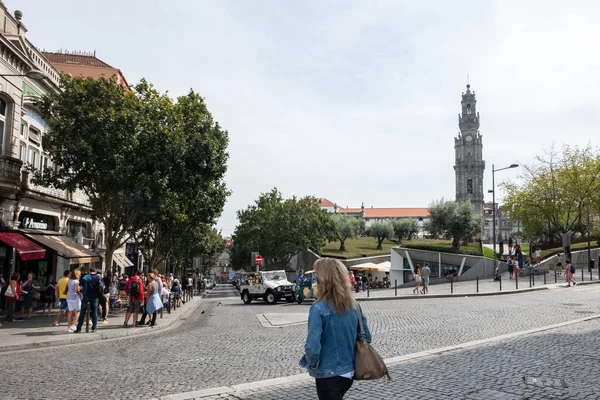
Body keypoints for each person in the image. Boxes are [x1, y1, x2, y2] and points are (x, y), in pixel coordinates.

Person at [299, 258, 371, 400]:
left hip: (327, 374)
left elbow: (312, 348)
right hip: (349, 373)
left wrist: (312, 365)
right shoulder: (354, 306)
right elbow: (366, 338)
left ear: (323, 279)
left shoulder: (318, 309)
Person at [75, 267, 102, 333]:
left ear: (89, 271)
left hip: (86, 295)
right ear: (95, 271)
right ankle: (94, 328)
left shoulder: (85, 277)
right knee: (94, 312)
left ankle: (79, 328)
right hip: (95, 296)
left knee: (82, 312)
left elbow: (80, 287)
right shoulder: (98, 277)